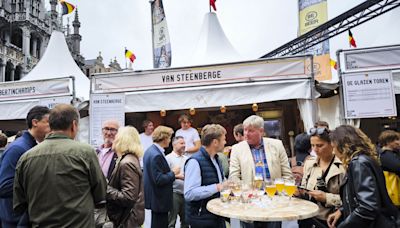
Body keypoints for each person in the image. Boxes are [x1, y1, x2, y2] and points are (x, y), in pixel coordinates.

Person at [13, 104, 107, 227]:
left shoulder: (26, 158)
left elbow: (19, 204)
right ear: (74, 125)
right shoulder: (86, 152)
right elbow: (100, 195)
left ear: (50, 125)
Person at [327, 125, 400, 228]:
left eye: (334, 147)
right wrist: (342, 211)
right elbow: (360, 198)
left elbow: (368, 207)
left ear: (343, 146)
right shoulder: (363, 159)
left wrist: (344, 226)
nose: (334, 152)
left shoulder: (359, 163)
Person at [229, 115, 292, 228]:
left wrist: (283, 196)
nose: (246, 134)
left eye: (251, 131)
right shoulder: (237, 149)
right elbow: (234, 177)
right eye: (245, 130)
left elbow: (287, 174)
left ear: (261, 131)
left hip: (273, 200)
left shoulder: (277, 145)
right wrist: (245, 194)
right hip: (249, 202)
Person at [0, 106, 50, 228]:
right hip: (15, 220)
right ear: (35, 122)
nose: (51, 127)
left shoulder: (30, 146)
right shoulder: (18, 148)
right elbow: (4, 186)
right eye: (48, 122)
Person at [297, 127, 345, 228]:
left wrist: (326, 198)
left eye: (319, 145)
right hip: (308, 218)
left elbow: (349, 200)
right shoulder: (309, 163)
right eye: (312, 145)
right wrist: (299, 193)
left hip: (331, 220)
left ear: (332, 144)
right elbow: (305, 189)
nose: (315, 149)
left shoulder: (343, 166)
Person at [184, 124, 227, 228]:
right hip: (201, 219)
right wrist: (217, 187)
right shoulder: (195, 161)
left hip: (216, 215)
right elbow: (189, 193)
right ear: (215, 142)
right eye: (223, 139)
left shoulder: (216, 158)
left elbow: (219, 182)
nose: (225, 142)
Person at [106, 126, 145, 228]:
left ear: (122, 140)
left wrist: (106, 189)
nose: (114, 140)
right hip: (127, 218)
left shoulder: (127, 163)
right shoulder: (129, 160)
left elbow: (128, 197)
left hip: (126, 220)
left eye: (116, 137)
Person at [143, 126, 181, 228]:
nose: (170, 141)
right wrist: (173, 173)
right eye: (169, 138)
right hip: (159, 198)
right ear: (164, 138)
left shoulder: (150, 150)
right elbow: (158, 179)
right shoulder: (156, 154)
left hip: (155, 197)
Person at [166, 136, 188, 228]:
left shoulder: (187, 159)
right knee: (171, 221)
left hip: (186, 193)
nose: (184, 145)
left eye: (184, 143)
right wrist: (177, 176)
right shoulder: (168, 158)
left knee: (186, 221)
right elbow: (165, 176)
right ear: (174, 144)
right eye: (181, 143)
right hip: (174, 193)